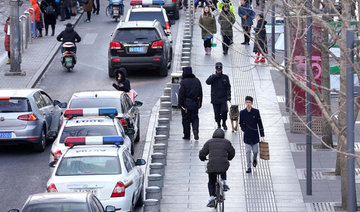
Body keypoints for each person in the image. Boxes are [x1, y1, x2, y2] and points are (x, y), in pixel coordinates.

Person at [199, 128, 235, 208]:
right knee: (223, 165)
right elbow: (232, 152)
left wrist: (202, 158)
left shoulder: (209, 142)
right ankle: (224, 183)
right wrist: (229, 158)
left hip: (212, 166)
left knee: (211, 181)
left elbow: (202, 153)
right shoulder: (227, 142)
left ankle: (212, 198)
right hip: (223, 165)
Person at [239, 96, 265, 173]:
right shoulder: (242, 112)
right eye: (247, 102)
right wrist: (244, 129)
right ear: (245, 103)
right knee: (248, 152)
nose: (248, 104)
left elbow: (259, 123)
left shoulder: (256, 112)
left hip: (255, 135)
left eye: (249, 102)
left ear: (252, 103)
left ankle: (254, 159)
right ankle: (249, 167)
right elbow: (240, 123)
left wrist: (262, 133)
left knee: (256, 151)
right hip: (247, 136)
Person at [178, 67, 203, 140]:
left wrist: (180, 104)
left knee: (186, 120)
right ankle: (195, 130)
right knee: (195, 118)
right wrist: (199, 103)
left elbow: (181, 94)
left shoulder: (183, 82)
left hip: (186, 105)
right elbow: (200, 93)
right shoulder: (197, 81)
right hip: (195, 103)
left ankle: (187, 135)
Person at [206, 62, 231, 130]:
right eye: (217, 69)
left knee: (224, 112)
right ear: (215, 69)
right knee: (216, 113)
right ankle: (218, 124)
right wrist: (214, 76)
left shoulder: (225, 77)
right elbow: (207, 82)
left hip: (223, 98)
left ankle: (224, 123)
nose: (219, 71)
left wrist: (229, 96)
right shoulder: (213, 77)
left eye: (220, 69)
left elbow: (228, 87)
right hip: (215, 99)